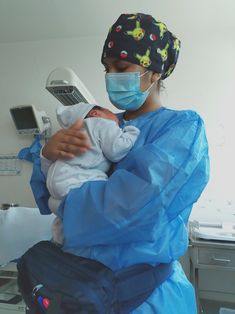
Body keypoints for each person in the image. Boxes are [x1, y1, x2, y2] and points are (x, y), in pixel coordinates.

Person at [30, 13, 209, 313]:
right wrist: (47, 156)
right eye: (107, 68)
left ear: (155, 73)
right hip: (80, 287)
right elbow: (45, 194)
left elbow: (133, 208)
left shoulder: (181, 129)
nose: (111, 76)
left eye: (122, 67)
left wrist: (65, 205)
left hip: (144, 298)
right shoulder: (98, 124)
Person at [43, 102, 140, 244]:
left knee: (66, 217)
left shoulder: (73, 133)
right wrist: (131, 133)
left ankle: (60, 240)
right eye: (110, 112)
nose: (118, 122)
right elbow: (116, 151)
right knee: (100, 201)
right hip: (76, 183)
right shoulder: (101, 123)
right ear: (95, 114)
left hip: (55, 192)